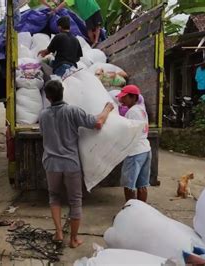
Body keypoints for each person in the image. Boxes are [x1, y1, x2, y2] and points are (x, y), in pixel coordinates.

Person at [39, 80, 114, 248]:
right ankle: (73, 239)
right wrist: (107, 108)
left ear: (48, 97)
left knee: (54, 197)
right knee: (75, 200)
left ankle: (58, 232)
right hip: (70, 163)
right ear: (62, 92)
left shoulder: (43, 115)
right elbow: (97, 123)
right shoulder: (72, 111)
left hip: (51, 163)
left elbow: (43, 134)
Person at [117, 85, 151, 203]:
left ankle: (130, 211)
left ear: (133, 97)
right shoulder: (141, 109)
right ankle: (142, 210)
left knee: (129, 185)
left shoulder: (131, 112)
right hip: (145, 149)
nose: (122, 100)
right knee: (142, 185)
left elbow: (129, 133)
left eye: (124, 97)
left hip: (134, 151)